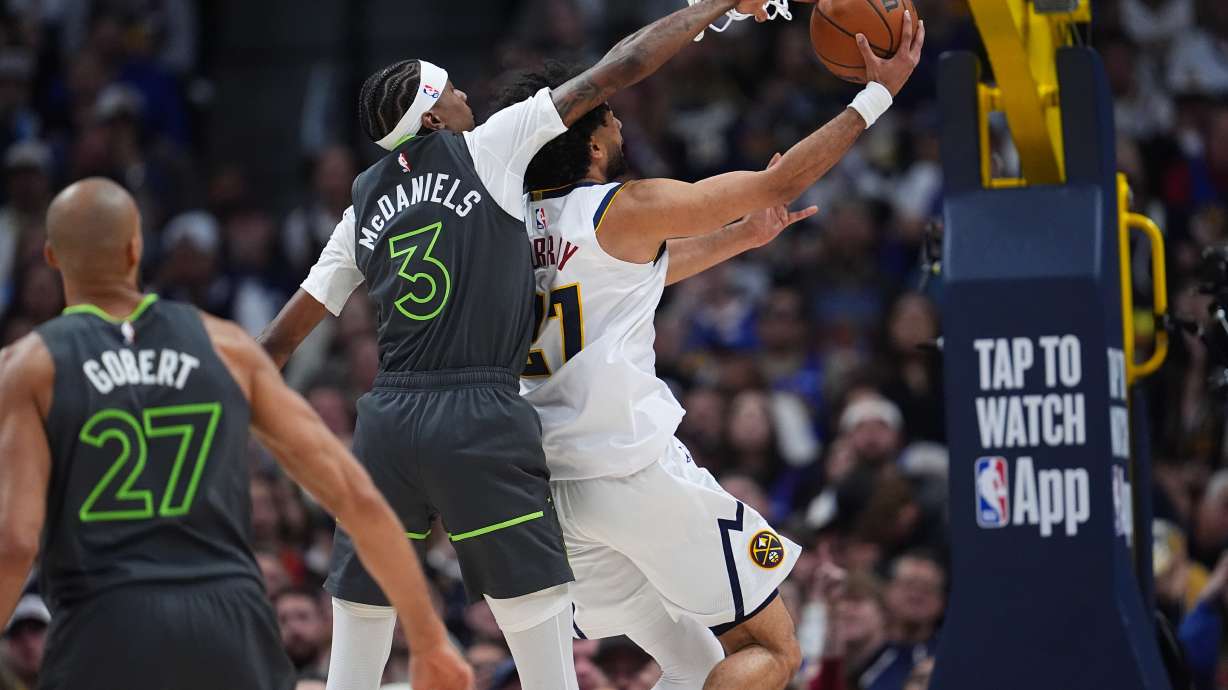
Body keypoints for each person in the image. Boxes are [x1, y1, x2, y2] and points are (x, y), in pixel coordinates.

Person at [256, 2, 773, 689]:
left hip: (385, 418)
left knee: (360, 617)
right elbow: (620, 67)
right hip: (479, 411)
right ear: (435, 120)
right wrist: (710, 9)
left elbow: (281, 338)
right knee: (539, 637)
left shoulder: (361, 204)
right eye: (453, 92)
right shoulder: (489, 147)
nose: (470, 94)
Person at [486, 12, 923, 690]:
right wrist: (878, 94)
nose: (622, 126)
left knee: (699, 663)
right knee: (774, 652)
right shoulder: (617, 209)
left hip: (546, 497)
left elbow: (627, 275)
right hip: (630, 473)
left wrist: (739, 241)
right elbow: (775, 182)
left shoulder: (505, 231)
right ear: (591, 146)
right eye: (610, 118)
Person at [0, 179, 470, 690]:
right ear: (137, 248)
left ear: (50, 256)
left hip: (103, 621)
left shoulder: (29, 365)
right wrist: (428, 639)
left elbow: (14, 540)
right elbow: (355, 496)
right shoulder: (227, 348)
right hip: (228, 626)